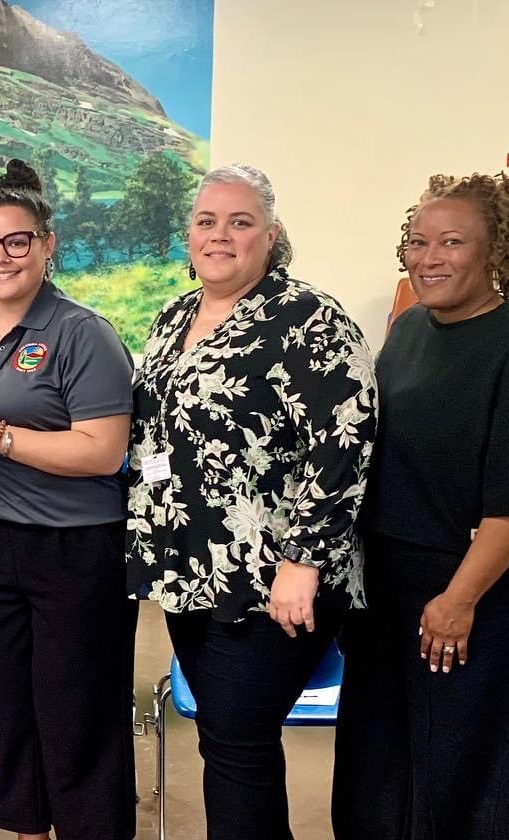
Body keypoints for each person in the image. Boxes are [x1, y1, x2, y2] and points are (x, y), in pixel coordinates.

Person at [126, 164, 376, 839]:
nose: (220, 235)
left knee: (237, 740)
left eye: (239, 223)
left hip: (276, 579)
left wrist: (304, 561)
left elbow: (345, 442)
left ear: (270, 235)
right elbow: (155, 434)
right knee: (228, 740)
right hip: (190, 572)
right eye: (206, 222)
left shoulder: (309, 319)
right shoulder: (174, 317)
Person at [332, 173, 509, 840]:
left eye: (452, 242)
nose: (429, 258)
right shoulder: (410, 329)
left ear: (495, 252)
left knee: (453, 777)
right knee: (373, 768)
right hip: (386, 584)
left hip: (467, 591)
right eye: (418, 242)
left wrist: (458, 601)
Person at [0, 160, 136, 840]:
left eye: (17, 241)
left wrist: (1, 438)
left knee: (75, 710)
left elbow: (103, 451)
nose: (0, 257)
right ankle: (27, 830)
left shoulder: (83, 333)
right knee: (4, 709)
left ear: (47, 244)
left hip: (74, 550)